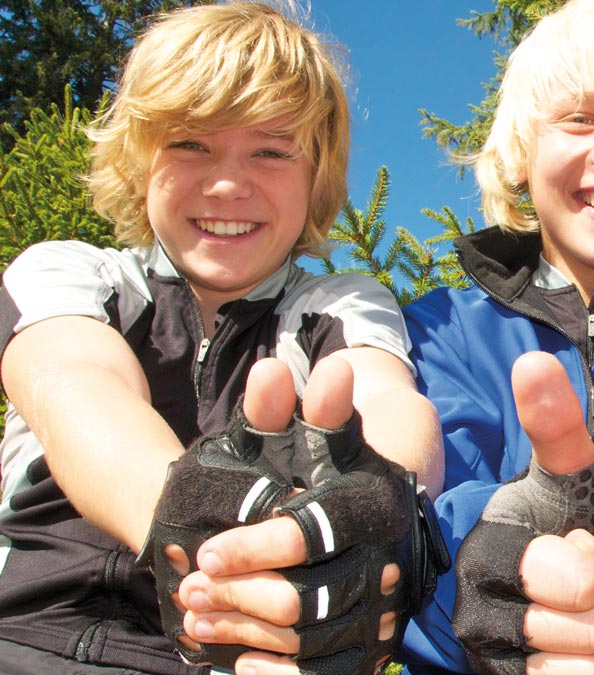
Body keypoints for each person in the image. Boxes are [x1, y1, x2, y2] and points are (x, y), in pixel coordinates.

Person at [174, 1, 594, 673]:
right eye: (580, 119)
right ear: (522, 153)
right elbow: (418, 515)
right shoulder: (439, 330)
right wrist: (492, 582)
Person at [0, 3, 444, 674]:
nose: (229, 182)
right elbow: (73, 381)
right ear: (139, 159)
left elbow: (383, 395)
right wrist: (189, 515)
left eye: (269, 151)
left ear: (316, 175)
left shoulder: (339, 305)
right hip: (24, 633)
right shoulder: (68, 273)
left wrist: (379, 506)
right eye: (189, 144)